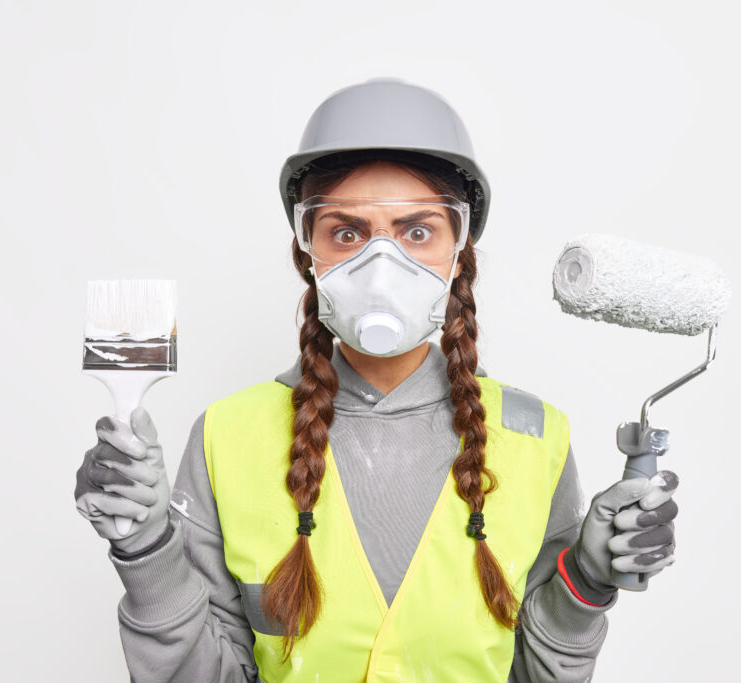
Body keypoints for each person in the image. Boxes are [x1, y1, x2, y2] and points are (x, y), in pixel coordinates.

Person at [75, 78, 679, 683]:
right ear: (306, 251)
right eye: (346, 232)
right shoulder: (226, 435)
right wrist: (146, 549)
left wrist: (586, 583)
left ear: (458, 254)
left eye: (417, 231)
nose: (381, 263)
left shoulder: (535, 436)